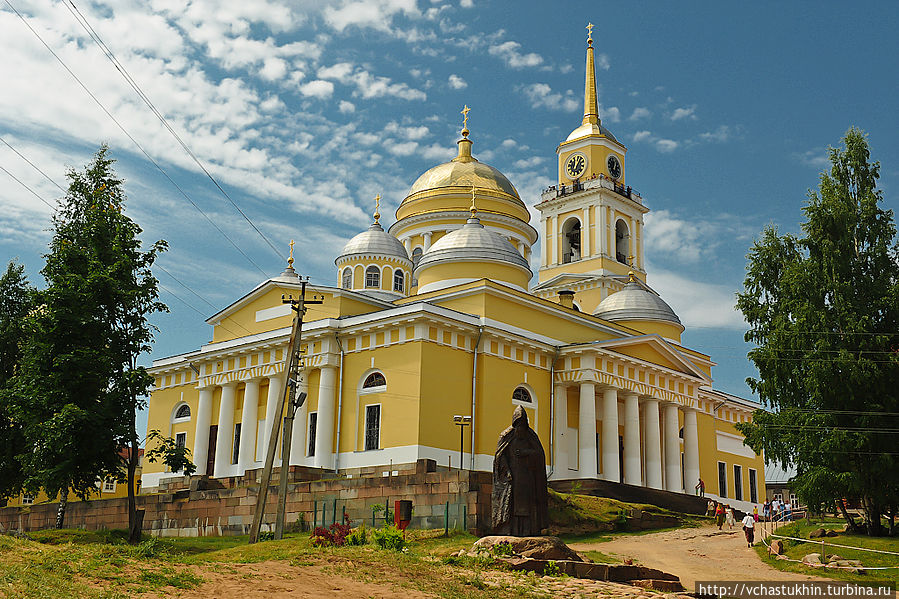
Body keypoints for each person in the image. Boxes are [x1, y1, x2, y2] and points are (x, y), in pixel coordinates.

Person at [492, 406, 549, 536]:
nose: (521, 430)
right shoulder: (506, 436)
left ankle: (529, 530)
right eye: (519, 426)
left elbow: (539, 454)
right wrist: (506, 471)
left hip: (528, 477)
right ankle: (510, 530)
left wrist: (526, 452)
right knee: (512, 505)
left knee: (528, 506)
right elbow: (500, 456)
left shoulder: (531, 436)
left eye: (523, 426)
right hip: (513, 478)